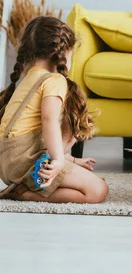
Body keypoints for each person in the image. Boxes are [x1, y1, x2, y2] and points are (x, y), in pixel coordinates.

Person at [0, 16, 108, 203]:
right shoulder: (54, 80)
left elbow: (33, 131)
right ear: (65, 53)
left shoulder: (28, 78)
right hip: (25, 161)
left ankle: (26, 185)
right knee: (98, 190)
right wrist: (58, 160)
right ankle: (23, 193)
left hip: (7, 162)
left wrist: (70, 161)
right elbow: (48, 120)